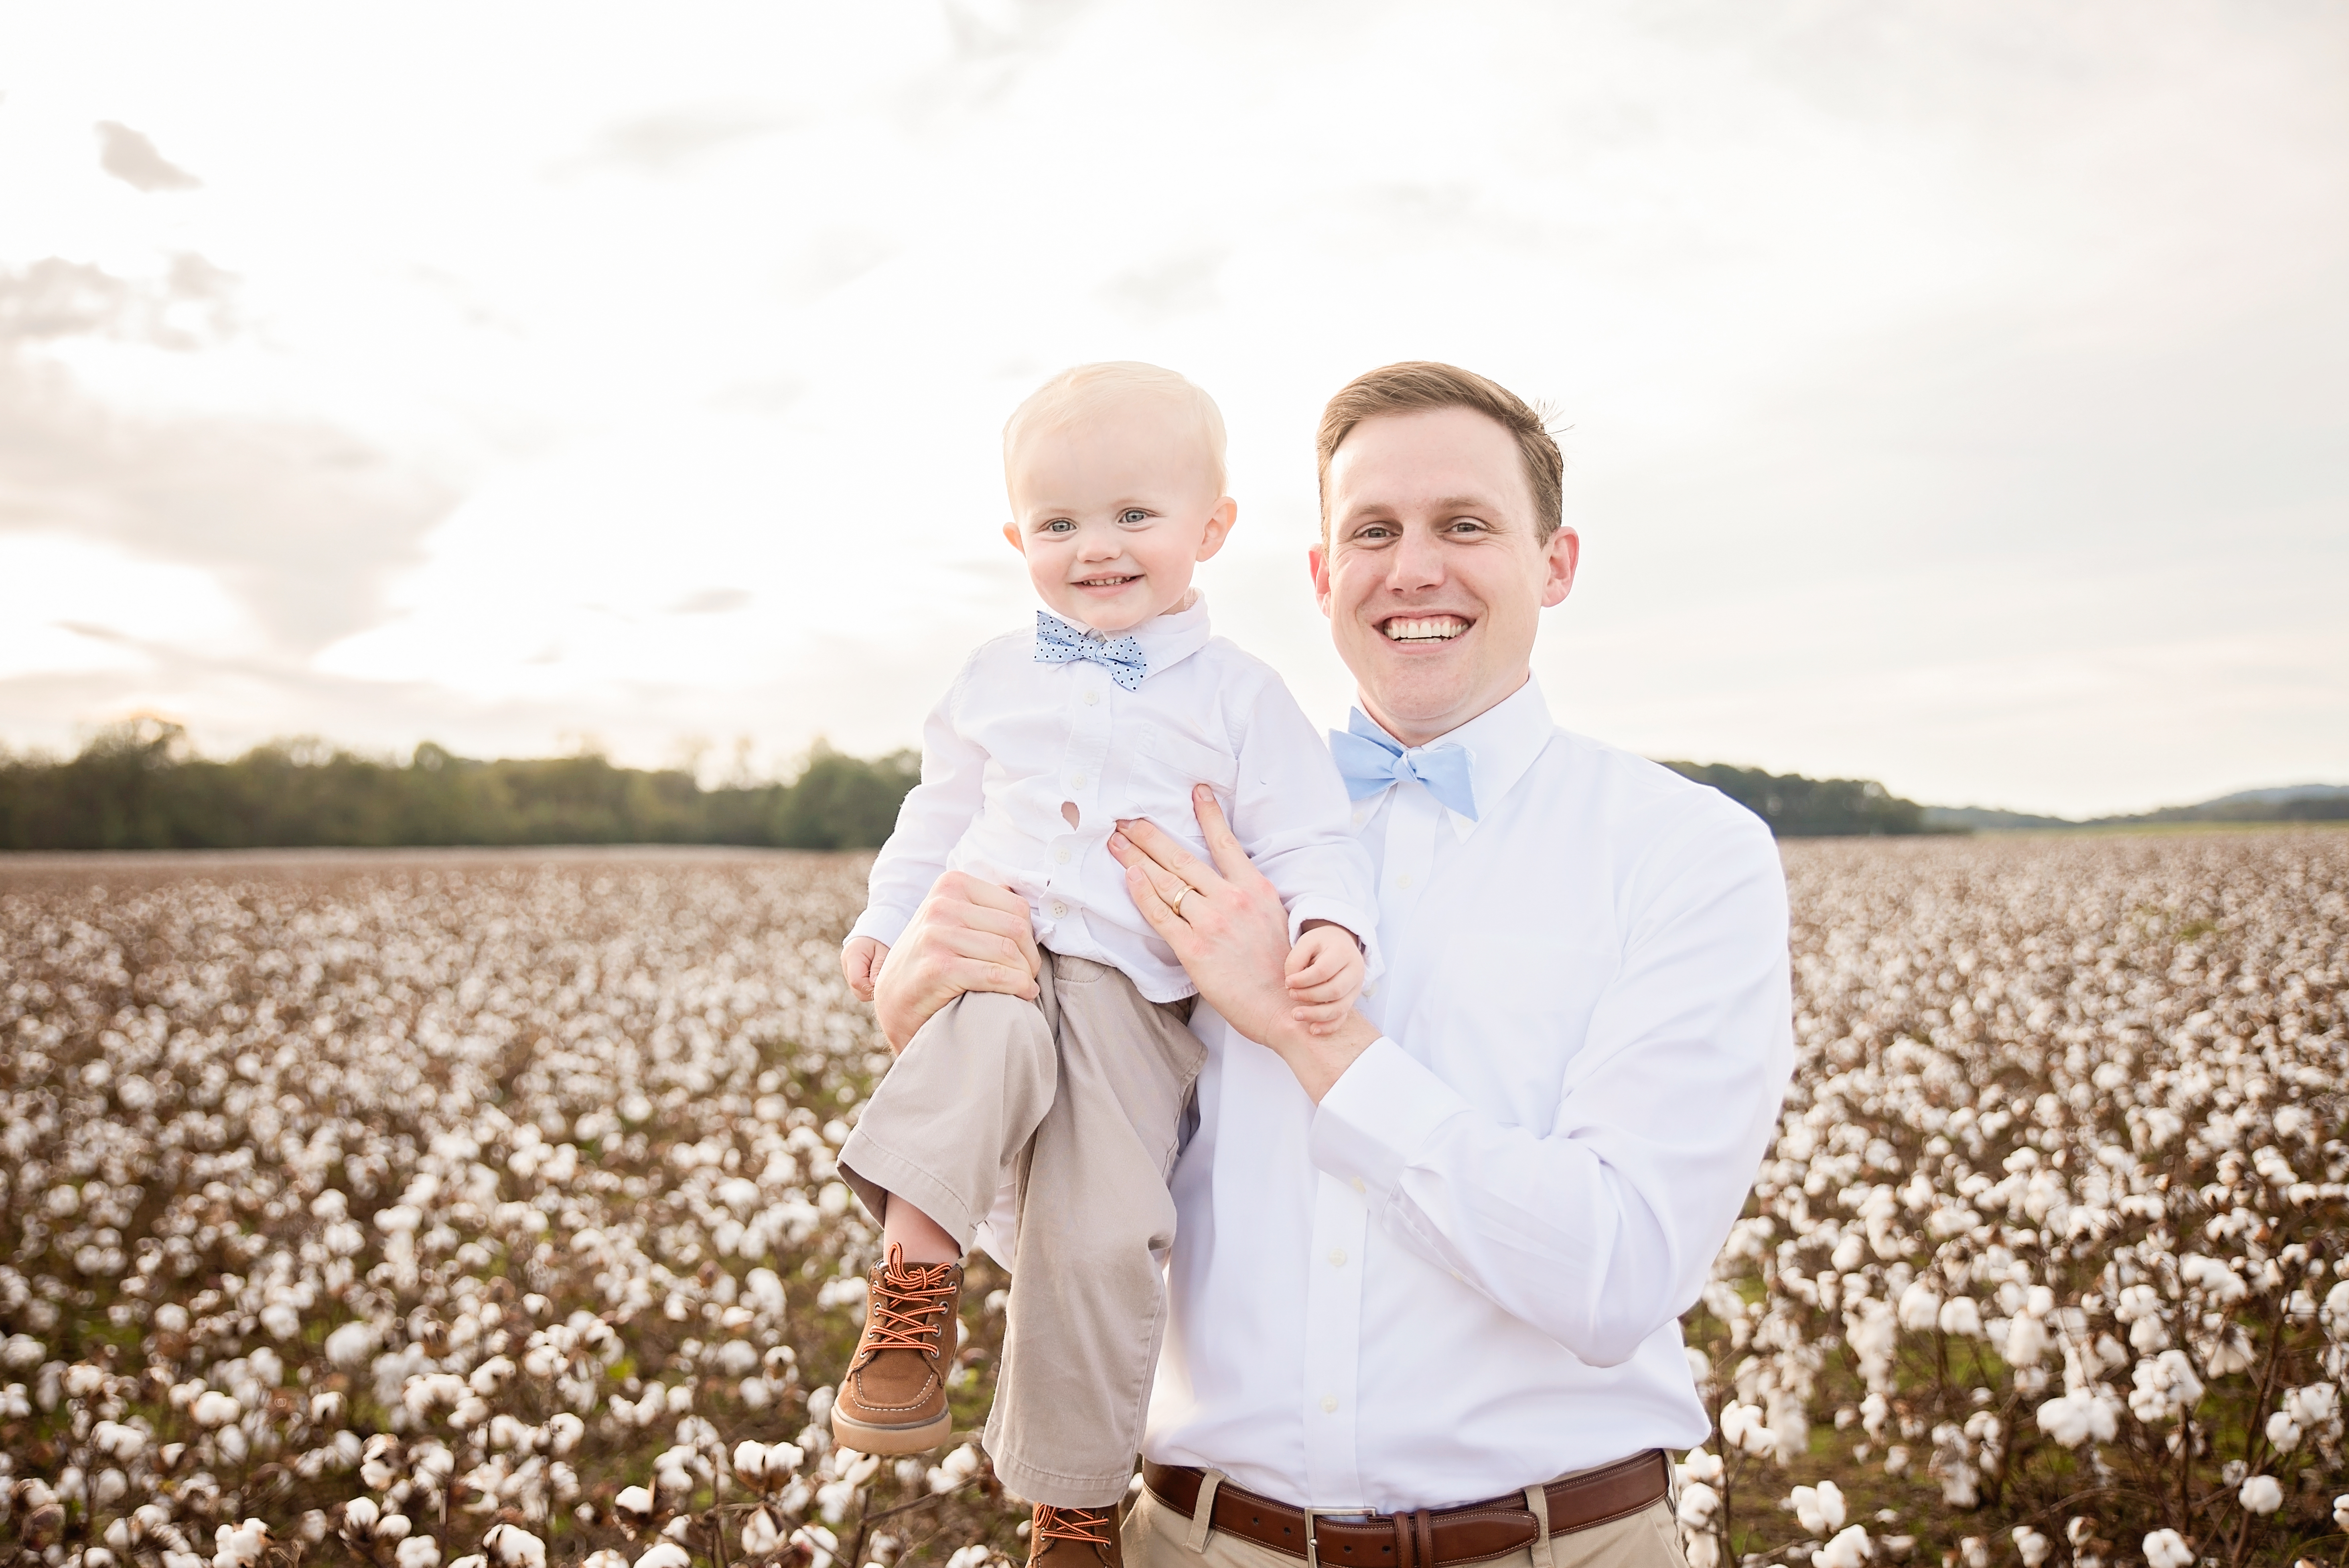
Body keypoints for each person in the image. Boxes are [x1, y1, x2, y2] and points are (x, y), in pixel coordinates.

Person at [871, 362, 1795, 1568]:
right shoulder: (1189, 822)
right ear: (1320, 576)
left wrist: (1311, 1033)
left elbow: (1617, 1273)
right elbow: (1088, 1213)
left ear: (1555, 563)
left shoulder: (1688, 852)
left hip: (1559, 1547)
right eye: (1373, 532)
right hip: (1197, 1543)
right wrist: (941, 1022)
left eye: (1465, 525)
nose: (1414, 569)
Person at [832, 363, 1379, 1562]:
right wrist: (888, 921)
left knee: (1099, 1231)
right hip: (998, 944)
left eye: (1135, 516)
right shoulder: (991, 674)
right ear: (1019, 536)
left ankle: (1073, 1498)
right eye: (1062, 523)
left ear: (1213, 530)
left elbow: (1307, 836)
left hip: (1138, 995)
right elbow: (933, 815)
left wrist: (1332, 927)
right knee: (974, 1059)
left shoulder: (1243, 696)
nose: (1099, 548)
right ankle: (911, 1299)